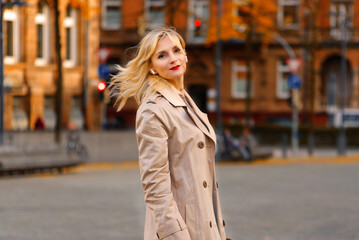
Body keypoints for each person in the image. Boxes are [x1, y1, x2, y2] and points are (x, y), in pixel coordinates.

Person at [111, 27, 227, 240]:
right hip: (180, 232)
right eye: (162, 55)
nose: (172, 58)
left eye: (176, 50)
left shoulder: (187, 102)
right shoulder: (153, 110)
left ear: (186, 55)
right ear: (152, 67)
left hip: (204, 227)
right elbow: (155, 186)